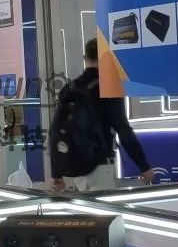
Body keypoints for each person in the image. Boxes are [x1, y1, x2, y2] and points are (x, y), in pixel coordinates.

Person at [49, 38, 155, 192]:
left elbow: (55, 130)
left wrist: (57, 174)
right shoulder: (109, 87)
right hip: (100, 166)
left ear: (85, 58)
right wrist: (143, 166)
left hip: (74, 167)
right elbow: (123, 129)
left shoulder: (70, 88)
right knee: (102, 207)